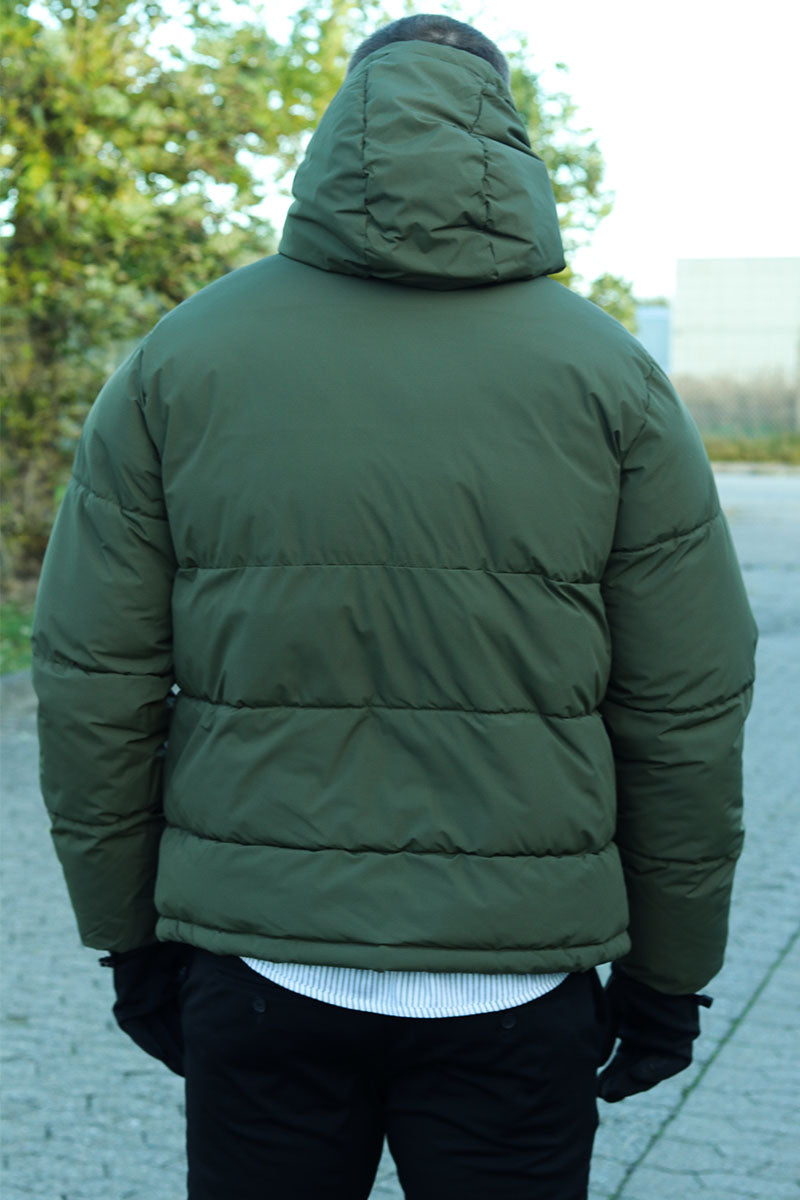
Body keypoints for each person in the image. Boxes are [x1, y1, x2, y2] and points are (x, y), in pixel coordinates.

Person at [32, 14, 757, 1200]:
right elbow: (685, 707)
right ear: (506, 138)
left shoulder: (181, 360)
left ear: (339, 133)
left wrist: (126, 936)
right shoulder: (610, 377)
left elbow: (91, 681)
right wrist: (670, 975)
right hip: (519, 987)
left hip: (259, 967)